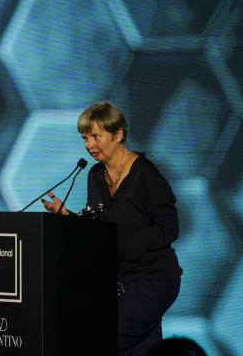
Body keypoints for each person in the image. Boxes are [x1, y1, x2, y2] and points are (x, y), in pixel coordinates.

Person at [41, 101, 181, 356]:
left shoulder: (146, 175)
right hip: (118, 282)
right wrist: (66, 214)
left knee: (102, 337)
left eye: (96, 136)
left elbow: (169, 228)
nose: (89, 145)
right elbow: (97, 230)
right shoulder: (95, 175)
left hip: (153, 280)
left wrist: (123, 246)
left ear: (118, 134)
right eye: (85, 138)